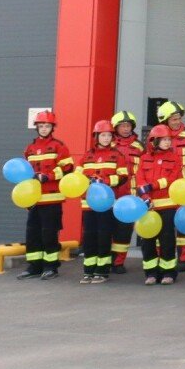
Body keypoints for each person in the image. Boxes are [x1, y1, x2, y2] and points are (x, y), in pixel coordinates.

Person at [18, 110, 75, 281]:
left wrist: (47, 176)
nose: (44, 129)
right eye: (41, 126)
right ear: (36, 127)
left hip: (52, 199)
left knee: (49, 234)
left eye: (47, 126)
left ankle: (51, 267)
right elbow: (23, 172)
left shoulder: (59, 146)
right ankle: (34, 266)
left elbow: (68, 168)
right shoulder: (30, 148)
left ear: (52, 127)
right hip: (34, 199)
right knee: (32, 233)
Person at [135, 123, 185, 285]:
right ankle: (151, 273)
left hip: (167, 206)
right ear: (154, 141)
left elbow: (173, 179)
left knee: (167, 240)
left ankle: (169, 273)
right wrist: (145, 196)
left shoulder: (174, 158)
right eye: (164, 139)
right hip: (147, 206)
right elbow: (139, 180)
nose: (167, 142)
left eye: (168, 139)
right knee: (147, 240)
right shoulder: (144, 158)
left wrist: (153, 186)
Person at [77, 120, 130, 284]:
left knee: (104, 236)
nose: (106, 138)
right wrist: (88, 180)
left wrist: (105, 181)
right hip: (88, 204)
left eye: (109, 135)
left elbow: (123, 177)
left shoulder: (117, 155)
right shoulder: (87, 156)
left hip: (107, 203)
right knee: (89, 237)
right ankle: (88, 270)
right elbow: (77, 177)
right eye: (103, 135)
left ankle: (102, 270)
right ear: (96, 136)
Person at [157, 100, 185, 270]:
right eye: (173, 119)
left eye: (178, 118)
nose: (177, 122)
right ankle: (165, 258)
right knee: (165, 224)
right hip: (165, 188)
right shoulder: (159, 137)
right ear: (165, 121)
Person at [108, 110, 144, 275]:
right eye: (122, 125)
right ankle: (106, 259)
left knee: (124, 230)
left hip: (130, 195)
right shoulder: (109, 144)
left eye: (128, 125)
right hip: (111, 194)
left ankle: (118, 262)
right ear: (115, 127)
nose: (125, 128)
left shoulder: (139, 146)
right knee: (108, 229)